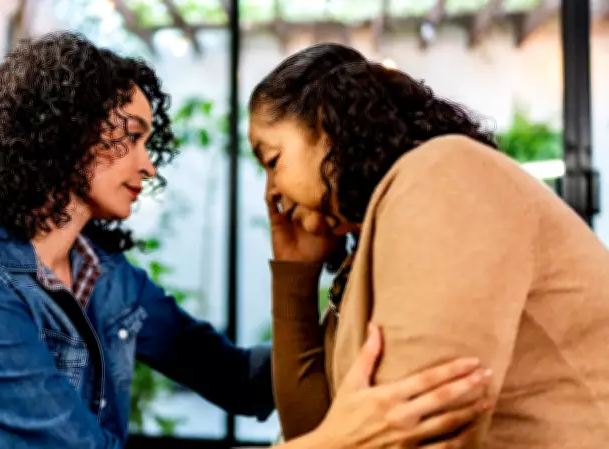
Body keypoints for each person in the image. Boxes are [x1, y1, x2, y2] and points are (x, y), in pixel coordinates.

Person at [0, 32, 490, 448]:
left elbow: (236, 380)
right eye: (133, 136)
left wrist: (309, 284)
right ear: (65, 132)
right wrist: (335, 442)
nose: (149, 164)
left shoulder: (104, 276)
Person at [248, 42, 609, 448]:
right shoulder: (367, 254)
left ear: (327, 125)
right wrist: (295, 275)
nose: (271, 194)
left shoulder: (443, 175)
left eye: (273, 161)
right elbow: (321, 433)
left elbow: (419, 436)